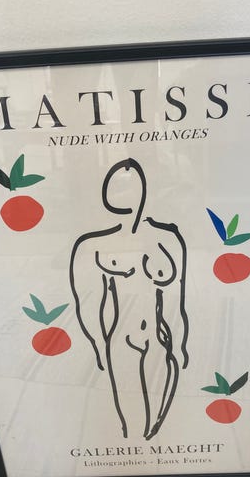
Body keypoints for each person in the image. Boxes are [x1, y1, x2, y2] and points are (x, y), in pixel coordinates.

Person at [69, 158, 189, 440]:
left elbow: (179, 297)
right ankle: (131, 444)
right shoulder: (94, 244)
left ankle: (150, 442)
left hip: (159, 333)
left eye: (134, 186)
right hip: (122, 334)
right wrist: (98, 344)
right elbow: (88, 302)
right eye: (121, 188)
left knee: (157, 412)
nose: (130, 197)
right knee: (129, 410)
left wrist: (181, 342)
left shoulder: (168, 238)